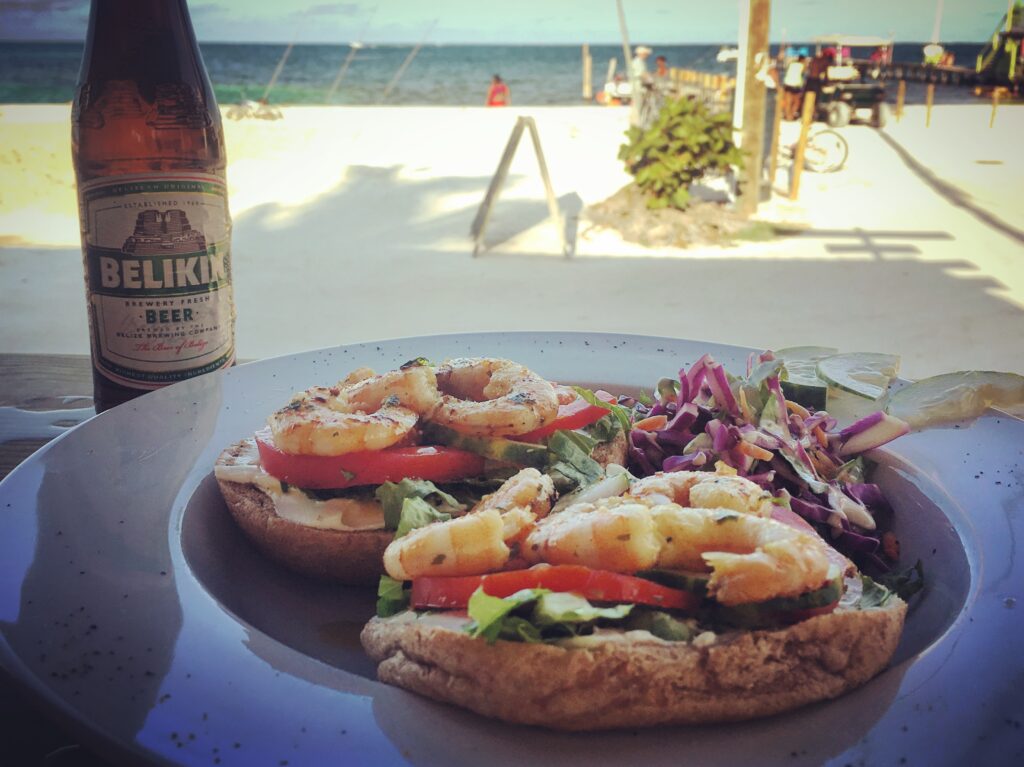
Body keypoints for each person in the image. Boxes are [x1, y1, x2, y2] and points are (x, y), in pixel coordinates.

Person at [782, 55, 806, 120]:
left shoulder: (792, 63)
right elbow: (803, 73)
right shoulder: (803, 65)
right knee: (797, 102)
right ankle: (791, 115)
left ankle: (788, 116)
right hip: (796, 85)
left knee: (788, 102)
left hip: (788, 84)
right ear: (803, 60)